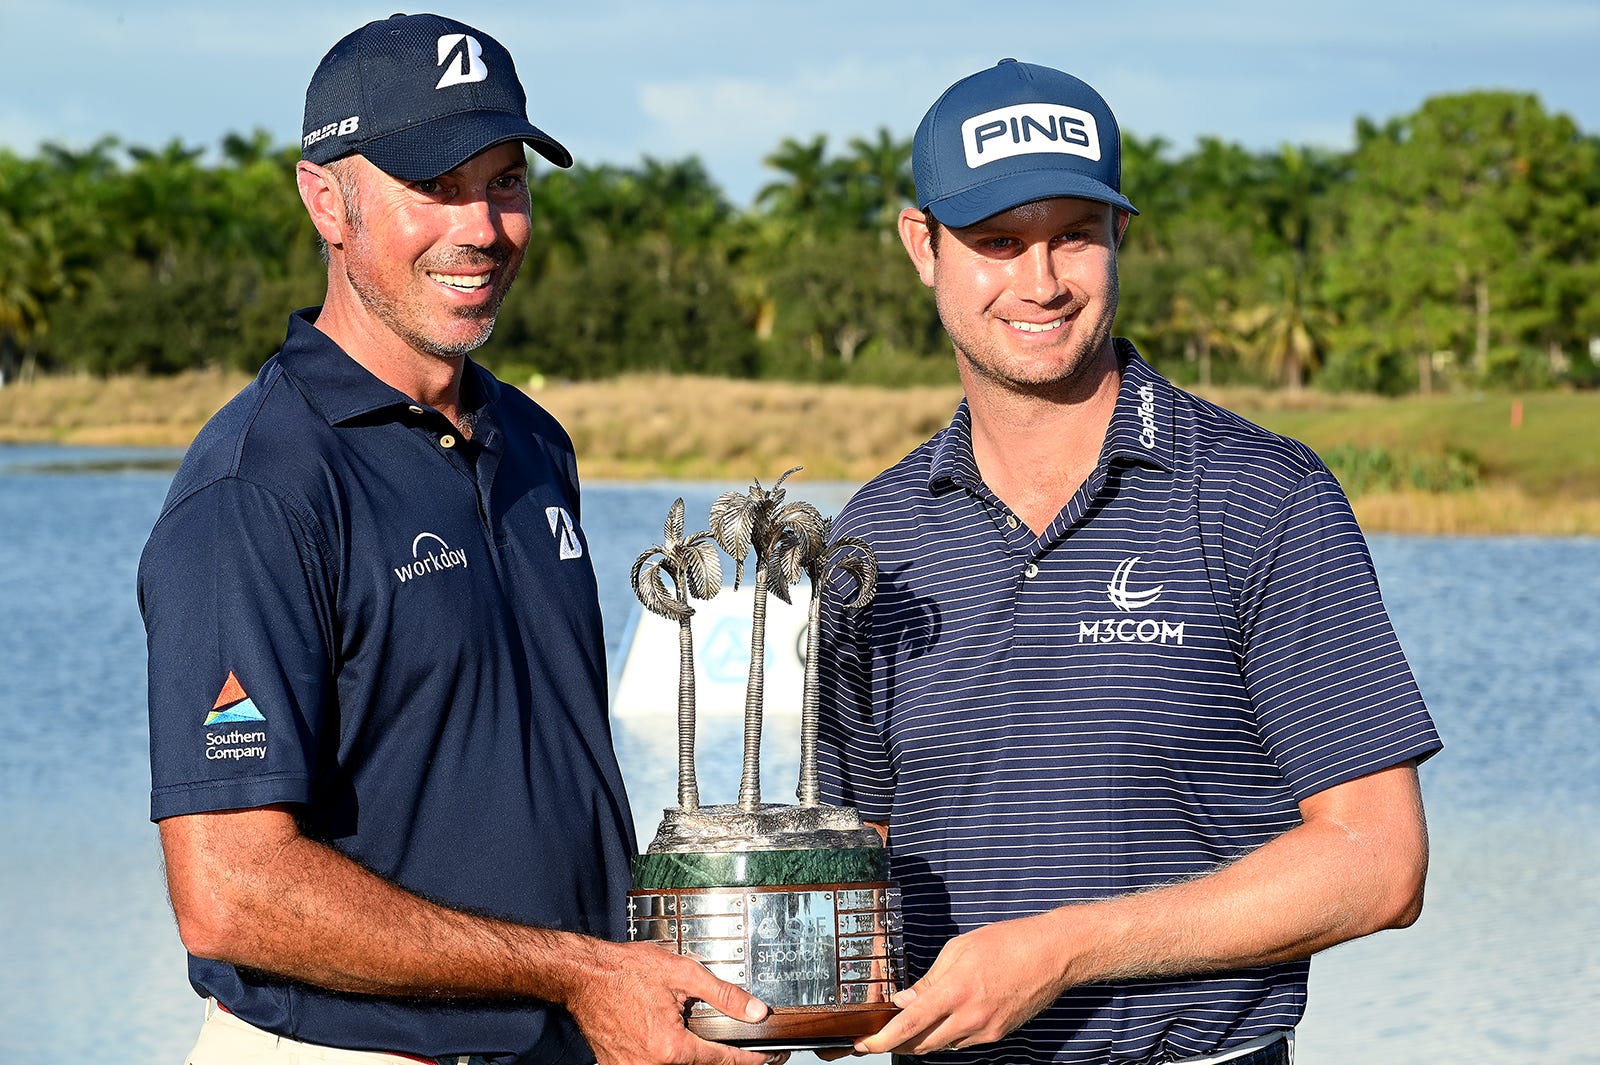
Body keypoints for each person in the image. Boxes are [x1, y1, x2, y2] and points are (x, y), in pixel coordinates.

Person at [138, 14, 779, 1065]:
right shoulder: (259, 489)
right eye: (435, 186)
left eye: (505, 182)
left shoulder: (532, 441)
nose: (480, 226)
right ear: (325, 200)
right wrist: (580, 970)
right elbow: (231, 892)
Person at [814, 59, 1442, 1065]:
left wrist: (1060, 951)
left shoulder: (1261, 496)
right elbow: (851, 864)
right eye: (996, 242)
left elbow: (1377, 863)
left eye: (1073, 234)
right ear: (920, 246)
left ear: (1120, 239)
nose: (1042, 281)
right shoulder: (872, 535)